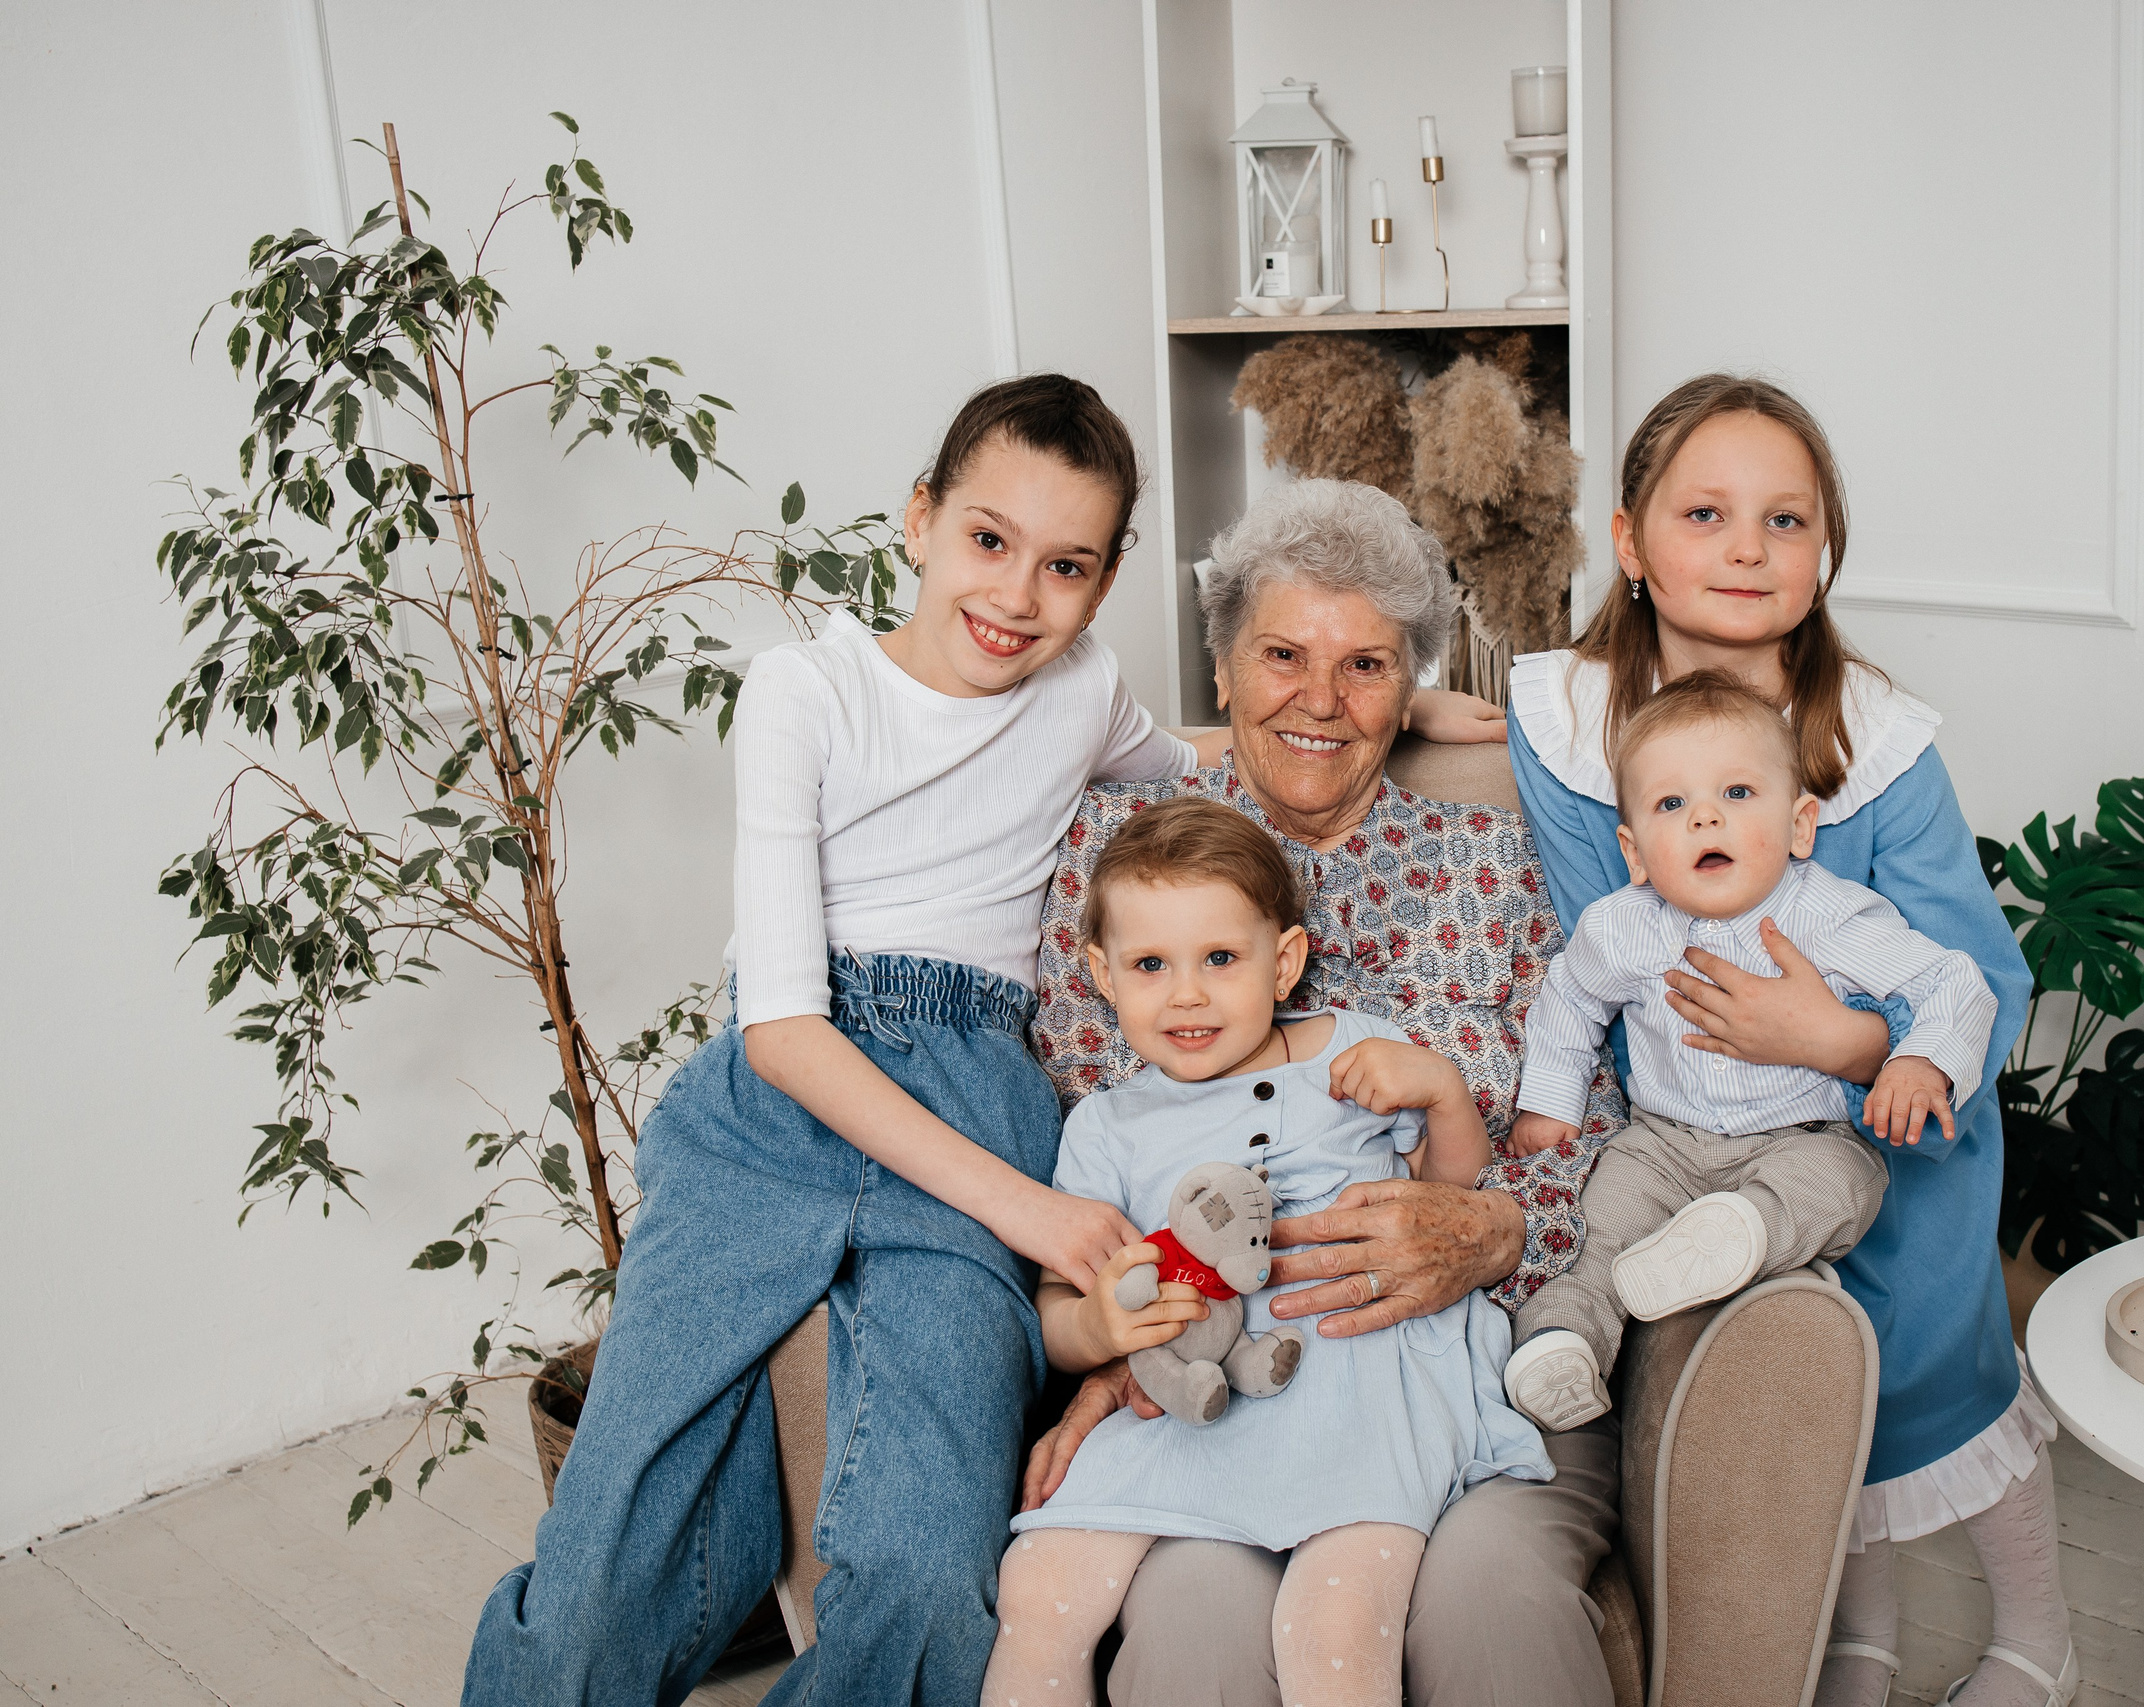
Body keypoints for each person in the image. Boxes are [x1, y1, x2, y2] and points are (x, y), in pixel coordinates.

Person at [464, 375, 1213, 1707]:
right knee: (595, 1578)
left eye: (1067, 566)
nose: (1018, 593)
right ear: (919, 520)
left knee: (930, 1575)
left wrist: (1426, 712)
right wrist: (1034, 1214)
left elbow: (1201, 761)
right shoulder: (802, 690)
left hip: (979, 1082)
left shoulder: (1084, 688)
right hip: (778, 1097)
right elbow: (784, 1033)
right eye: (988, 538)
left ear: (1103, 588)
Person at [1505, 374, 2070, 1707]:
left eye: (1785, 520)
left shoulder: (1874, 741)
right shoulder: (1575, 723)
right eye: (1706, 513)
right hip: (1695, 1116)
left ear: (1824, 557)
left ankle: (2044, 1633)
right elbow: (1607, 940)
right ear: (1633, 541)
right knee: (1801, 1373)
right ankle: (1854, 1634)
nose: (1748, 547)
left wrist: (1842, 1035)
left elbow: (1974, 968)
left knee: (1925, 1348)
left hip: (1877, 1102)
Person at [1025, 476, 1628, 1707]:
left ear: (1410, 685)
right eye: (1282, 655)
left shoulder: (1495, 862)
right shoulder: (1112, 853)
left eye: (1365, 666)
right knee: (1193, 1618)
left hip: (1463, 1362)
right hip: (1222, 1387)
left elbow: (1593, 1135)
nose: (1319, 699)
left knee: (1491, 1601)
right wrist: (1117, 1348)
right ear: (1223, 665)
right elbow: (1090, 1147)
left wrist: (1491, 1228)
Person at [984, 798, 1549, 1707]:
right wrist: (1095, 1325)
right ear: (1101, 973)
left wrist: (1442, 1095)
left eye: (1220, 958)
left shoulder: (1353, 1051)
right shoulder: (1108, 1125)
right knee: (1041, 1589)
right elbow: (1059, 1307)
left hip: (1362, 1380)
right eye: (1150, 965)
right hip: (1193, 1397)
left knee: (1328, 1626)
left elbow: (1454, 1196)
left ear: (1283, 962)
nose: (1188, 993)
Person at [1500, 668, 1996, 1431]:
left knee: (1842, 1184)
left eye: (1737, 794)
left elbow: (1952, 980)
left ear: (1800, 825)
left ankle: (1742, 1233)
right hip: (1660, 1143)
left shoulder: (1826, 914)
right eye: (1673, 803)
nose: (1706, 819)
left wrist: (1917, 1060)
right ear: (1635, 852)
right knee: (1594, 1227)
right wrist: (1548, 1103)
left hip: (1799, 1139)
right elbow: (1570, 1001)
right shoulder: (1621, 925)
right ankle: (1562, 1343)